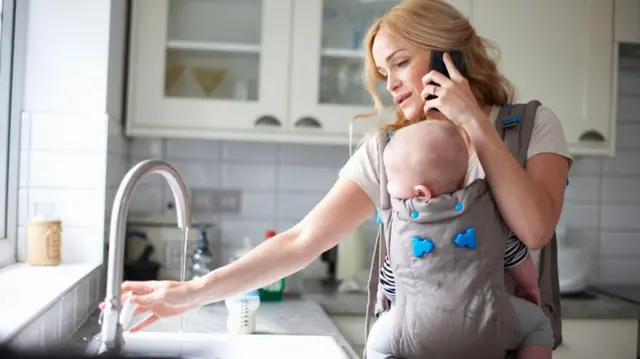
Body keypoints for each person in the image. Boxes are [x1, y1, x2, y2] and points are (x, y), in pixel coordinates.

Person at [101, 0, 571, 355]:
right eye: (384, 72)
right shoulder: (391, 154)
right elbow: (301, 241)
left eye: (401, 62)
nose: (390, 85)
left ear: (452, 56)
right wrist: (190, 294)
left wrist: (474, 123)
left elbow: (534, 228)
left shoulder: (532, 126)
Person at [367, 118, 553, 359]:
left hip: (417, 333)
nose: (388, 187)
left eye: (391, 180)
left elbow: (392, 280)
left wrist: (393, 303)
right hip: (489, 325)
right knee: (538, 325)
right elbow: (515, 255)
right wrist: (529, 286)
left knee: (377, 342)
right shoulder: (486, 211)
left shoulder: (403, 227)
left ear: (421, 193)